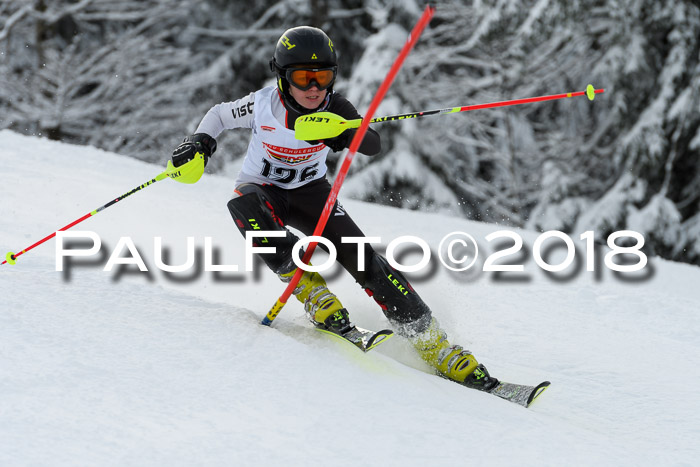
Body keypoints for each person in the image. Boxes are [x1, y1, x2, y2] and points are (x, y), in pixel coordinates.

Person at [171, 26, 497, 391]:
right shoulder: (263, 105)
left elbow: (371, 144)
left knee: (364, 259)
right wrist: (200, 140)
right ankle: (311, 290)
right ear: (282, 78)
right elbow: (219, 115)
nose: (314, 88)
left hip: (312, 193)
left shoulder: (334, 107)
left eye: (322, 78)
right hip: (264, 190)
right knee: (242, 205)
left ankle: (434, 344)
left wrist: (345, 132)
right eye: (303, 78)